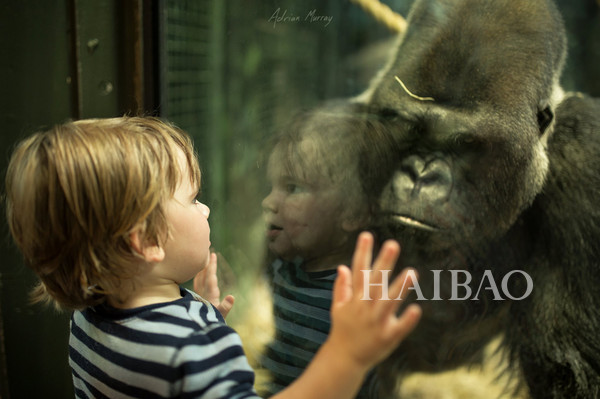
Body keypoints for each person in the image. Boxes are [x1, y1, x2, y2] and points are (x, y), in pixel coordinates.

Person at [4, 116, 421, 399]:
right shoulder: (192, 350)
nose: (205, 209)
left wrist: (197, 311)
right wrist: (347, 354)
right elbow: (182, 365)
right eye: (192, 198)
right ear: (145, 242)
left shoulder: (86, 323)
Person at [260, 103, 393, 397]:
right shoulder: (286, 264)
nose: (269, 201)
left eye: (292, 188)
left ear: (354, 212)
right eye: (272, 186)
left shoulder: (361, 298)